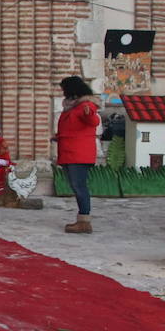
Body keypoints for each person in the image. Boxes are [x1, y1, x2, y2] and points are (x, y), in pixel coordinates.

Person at [55, 75, 101, 233]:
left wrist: (89, 115)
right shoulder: (72, 106)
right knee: (76, 185)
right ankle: (82, 219)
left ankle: (84, 221)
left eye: (64, 89)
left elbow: (94, 121)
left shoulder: (85, 105)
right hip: (69, 150)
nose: (62, 92)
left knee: (79, 185)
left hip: (79, 153)